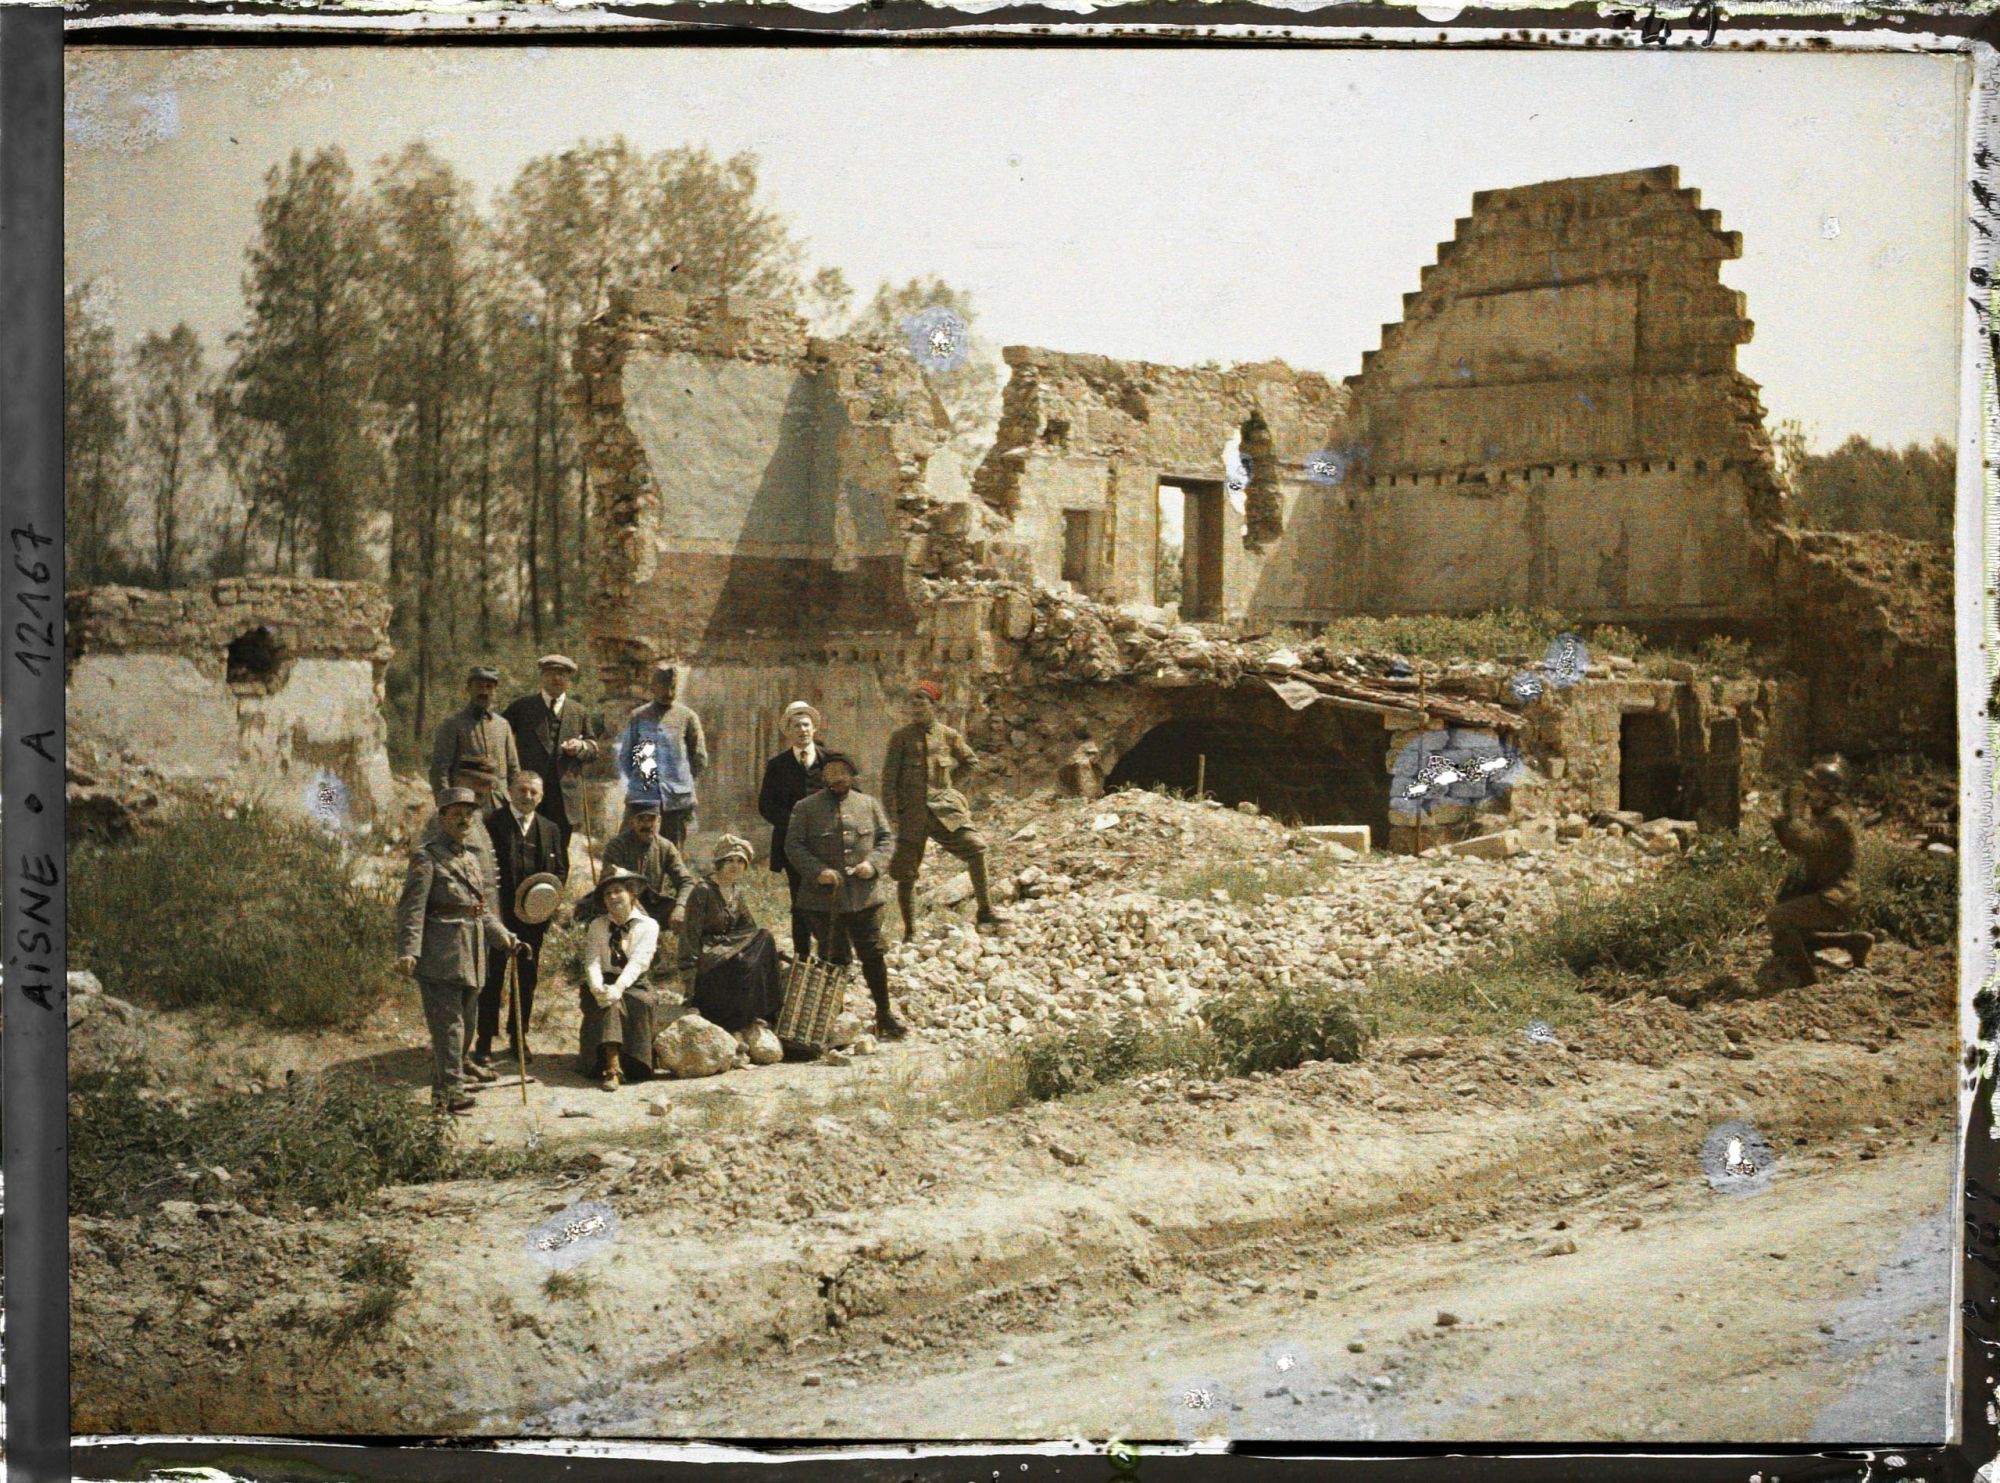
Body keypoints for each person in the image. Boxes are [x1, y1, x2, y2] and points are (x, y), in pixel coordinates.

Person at [395, 787, 526, 1114]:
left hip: (472, 951)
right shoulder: (427, 857)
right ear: (442, 818)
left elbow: (480, 909)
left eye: (469, 814)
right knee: (449, 1027)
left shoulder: (470, 859)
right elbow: (412, 908)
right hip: (440, 953)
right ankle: (449, 1093)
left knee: (467, 1024)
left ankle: (449, 1084)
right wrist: (409, 950)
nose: (464, 820)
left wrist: (504, 937)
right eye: (457, 814)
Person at [785, 751, 907, 1041]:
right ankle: (830, 1020)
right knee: (833, 958)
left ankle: (884, 1014)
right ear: (823, 777)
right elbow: (793, 846)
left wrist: (873, 865)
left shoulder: (869, 804)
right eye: (831, 772)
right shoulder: (805, 808)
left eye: (843, 772)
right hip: (822, 901)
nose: (838, 778)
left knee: (873, 955)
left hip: (865, 898)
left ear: (851, 775)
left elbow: (886, 839)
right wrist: (818, 871)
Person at [882, 680, 1007, 942]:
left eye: (921, 703)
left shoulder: (948, 735)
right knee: (906, 873)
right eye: (913, 703)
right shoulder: (900, 738)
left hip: (944, 812)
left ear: (934, 706)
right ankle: (910, 932)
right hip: (911, 816)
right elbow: (888, 781)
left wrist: (949, 789)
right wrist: (892, 818)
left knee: (977, 849)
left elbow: (970, 762)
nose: (916, 708)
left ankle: (985, 912)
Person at [474, 770, 565, 1070]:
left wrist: (544, 906)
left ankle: (518, 1036)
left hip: (533, 919)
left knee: (526, 979)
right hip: (497, 917)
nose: (527, 796)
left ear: (541, 796)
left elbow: (560, 871)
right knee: (492, 978)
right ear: (511, 792)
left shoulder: (550, 829)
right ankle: (484, 1040)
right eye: (522, 790)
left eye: (533, 792)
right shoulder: (492, 824)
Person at [1767, 758, 1874, 987]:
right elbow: (1797, 847)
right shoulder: (1823, 817)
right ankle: (1852, 942)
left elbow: (1808, 844)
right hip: (1825, 893)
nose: (1807, 792)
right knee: (1781, 943)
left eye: (1813, 788)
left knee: (1778, 918)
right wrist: (1785, 818)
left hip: (1837, 897)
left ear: (1829, 793)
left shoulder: (1836, 820)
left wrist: (1792, 817)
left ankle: (1809, 980)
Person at [677, 834, 786, 1033]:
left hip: (728, 954)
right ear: (719, 863)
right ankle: (736, 1018)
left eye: (740, 861)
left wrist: (770, 954)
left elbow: (748, 929)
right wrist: (689, 982)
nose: (735, 866)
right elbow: (689, 935)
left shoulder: (736, 892)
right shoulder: (703, 890)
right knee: (751, 953)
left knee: (764, 940)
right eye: (730, 860)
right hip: (709, 961)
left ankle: (761, 1013)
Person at [502, 654, 602, 869]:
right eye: (551, 673)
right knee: (525, 849)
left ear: (569, 679)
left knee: (558, 853)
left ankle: (554, 889)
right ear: (542, 677)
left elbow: (593, 748)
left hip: (564, 799)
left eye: (562, 674)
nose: (557, 678)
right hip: (528, 794)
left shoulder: (579, 711)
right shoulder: (522, 708)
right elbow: (500, 737)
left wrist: (581, 747)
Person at [757, 700, 831, 959]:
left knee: (828, 899)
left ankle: (830, 957)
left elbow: (849, 795)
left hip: (826, 843)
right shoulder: (777, 766)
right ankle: (802, 957)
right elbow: (766, 806)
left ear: (814, 728)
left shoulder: (830, 761)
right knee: (800, 901)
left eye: (807, 725)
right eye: (797, 726)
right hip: (793, 845)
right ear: (788, 732)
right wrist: (795, 823)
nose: (803, 730)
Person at [580, 867, 662, 1090]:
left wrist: (618, 988)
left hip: (635, 983)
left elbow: (639, 962)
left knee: (630, 1001)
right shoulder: (597, 925)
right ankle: (612, 1067)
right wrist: (597, 986)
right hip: (604, 980)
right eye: (608, 894)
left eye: (618, 891)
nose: (613, 897)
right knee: (608, 1003)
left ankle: (632, 1061)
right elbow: (592, 960)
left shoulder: (648, 926)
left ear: (632, 894)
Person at [614, 660, 708, 847]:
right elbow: (625, 757)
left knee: (672, 851)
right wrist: (642, 780)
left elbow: (699, 758)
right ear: (653, 687)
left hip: (677, 800)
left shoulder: (687, 717)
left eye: (673, 688)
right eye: (664, 687)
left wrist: (680, 781)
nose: (669, 693)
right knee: (630, 848)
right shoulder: (638, 716)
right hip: (643, 796)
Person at [593, 802, 695, 933]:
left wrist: (680, 907)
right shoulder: (617, 846)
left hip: (653, 907)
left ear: (659, 821)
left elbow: (686, 882)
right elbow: (609, 883)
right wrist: (643, 918)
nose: (646, 825)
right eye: (641, 819)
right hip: (622, 903)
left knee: (693, 908)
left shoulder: (665, 847)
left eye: (651, 819)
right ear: (632, 821)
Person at [429, 664, 520, 803]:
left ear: (495, 691)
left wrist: (514, 804)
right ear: (468, 689)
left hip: (499, 804)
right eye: (479, 686)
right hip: (466, 804)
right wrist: (447, 804)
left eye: (489, 687)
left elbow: (513, 769)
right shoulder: (453, 724)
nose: (484, 691)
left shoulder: (502, 725)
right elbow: (439, 770)